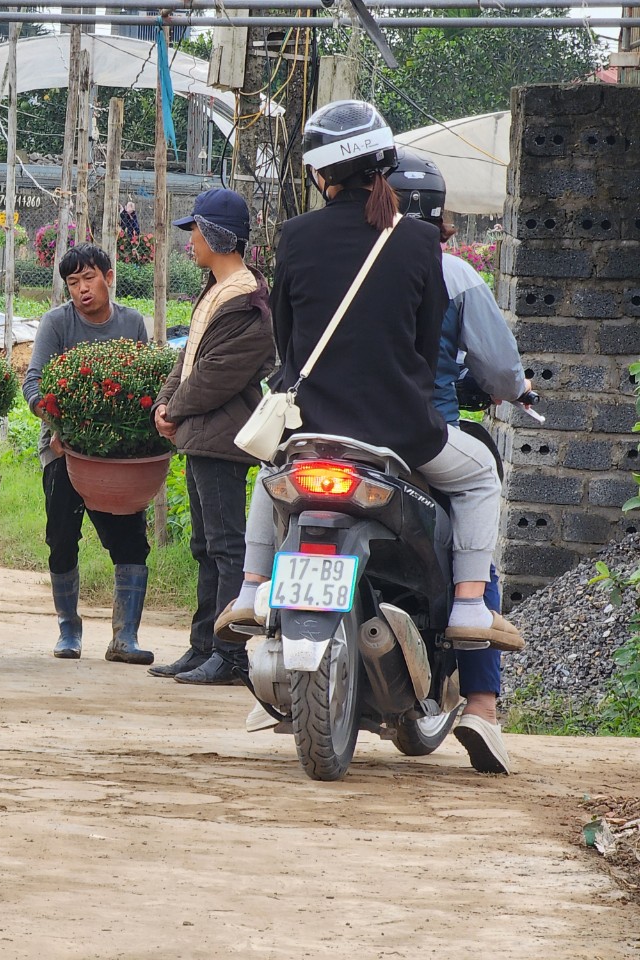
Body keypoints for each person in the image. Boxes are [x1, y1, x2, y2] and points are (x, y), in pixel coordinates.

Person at [221, 100, 524, 773]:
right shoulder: (419, 243)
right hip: (401, 436)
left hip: (314, 428)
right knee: (478, 476)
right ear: (382, 162)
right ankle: (471, 605)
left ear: (320, 173)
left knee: (271, 478)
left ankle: (248, 590)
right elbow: (421, 352)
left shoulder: (294, 237)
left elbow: (289, 344)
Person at [388, 148, 534, 774]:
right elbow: (499, 367)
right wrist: (516, 390)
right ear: (441, 214)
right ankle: (481, 702)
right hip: (429, 434)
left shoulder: (342, 262)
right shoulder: (452, 272)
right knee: (476, 535)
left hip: (338, 430)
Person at [149, 189, 274, 685]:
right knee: (205, 545)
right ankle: (203, 645)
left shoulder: (247, 299)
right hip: (199, 434)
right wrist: (165, 400)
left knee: (226, 547)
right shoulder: (216, 290)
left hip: (221, 437)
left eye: (195, 231)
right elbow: (189, 358)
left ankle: (232, 653)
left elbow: (218, 374)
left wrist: (174, 407)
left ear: (218, 236)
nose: (190, 242)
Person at [22, 244, 154, 665]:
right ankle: (68, 630)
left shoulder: (133, 322)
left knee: (130, 540)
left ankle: (125, 637)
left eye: (89, 279)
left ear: (109, 277)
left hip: (120, 457)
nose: (82, 289)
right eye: (73, 282)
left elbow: (143, 387)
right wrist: (58, 428)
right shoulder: (56, 323)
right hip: (63, 451)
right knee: (62, 539)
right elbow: (34, 384)